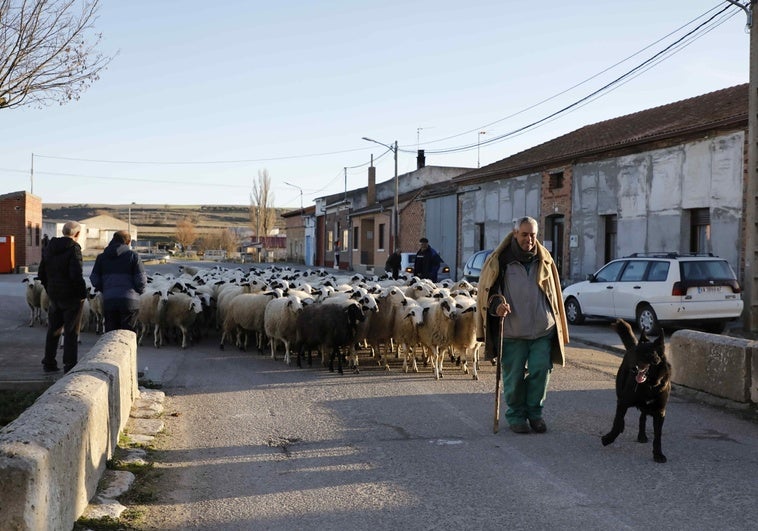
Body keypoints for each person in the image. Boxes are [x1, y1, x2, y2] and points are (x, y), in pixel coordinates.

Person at [475, 216, 569, 434]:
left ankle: (535, 413)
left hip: (542, 329)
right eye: (525, 234)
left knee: (540, 371)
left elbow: (553, 293)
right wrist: (498, 306)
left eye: (533, 235)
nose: (529, 239)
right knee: (513, 377)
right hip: (512, 331)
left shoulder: (544, 259)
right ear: (515, 233)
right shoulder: (500, 260)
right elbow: (490, 293)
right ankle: (516, 415)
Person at [38, 221, 87, 373]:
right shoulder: (74, 248)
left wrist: (49, 289)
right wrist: (81, 294)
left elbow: (41, 273)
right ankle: (70, 365)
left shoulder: (49, 247)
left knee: (53, 329)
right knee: (71, 331)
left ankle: (49, 363)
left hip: (54, 294)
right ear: (77, 234)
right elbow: (76, 274)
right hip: (71, 296)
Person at [90, 230, 147, 333]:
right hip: (129, 301)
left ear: (113, 239)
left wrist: (104, 289)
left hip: (109, 300)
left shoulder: (101, 257)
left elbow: (94, 278)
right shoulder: (133, 256)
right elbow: (141, 279)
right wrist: (139, 291)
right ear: (128, 242)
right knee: (127, 335)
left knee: (111, 334)